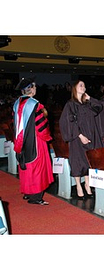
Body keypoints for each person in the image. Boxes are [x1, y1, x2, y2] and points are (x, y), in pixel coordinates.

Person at [13, 77, 54, 205]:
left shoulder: (16, 103)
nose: (36, 88)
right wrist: (48, 137)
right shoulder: (35, 104)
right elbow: (41, 127)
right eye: (34, 86)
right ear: (30, 89)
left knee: (26, 166)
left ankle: (27, 192)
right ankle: (35, 197)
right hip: (35, 141)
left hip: (20, 141)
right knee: (37, 167)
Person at [59, 80, 103, 198]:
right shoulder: (70, 104)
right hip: (77, 138)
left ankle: (88, 185)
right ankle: (79, 186)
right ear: (74, 88)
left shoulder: (87, 104)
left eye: (84, 85)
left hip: (90, 136)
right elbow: (68, 122)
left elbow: (99, 107)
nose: (83, 87)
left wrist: (90, 99)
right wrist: (79, 135)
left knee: (88, 161)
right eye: (81, 85)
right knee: (78, 162)